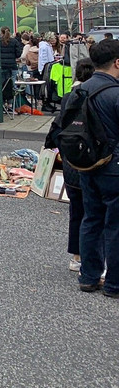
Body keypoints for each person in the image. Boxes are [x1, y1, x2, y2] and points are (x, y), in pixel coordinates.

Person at [73, 39, 119, 297]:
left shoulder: (78, 90)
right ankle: (114, 283)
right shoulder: (116, 93)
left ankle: (89, 276)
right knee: (115, 226)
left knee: (91, 219)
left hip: (86, 164)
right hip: (114, 165)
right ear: (117, 62)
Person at [46, 58, 96, 275]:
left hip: (71, 162)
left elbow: (55, 132)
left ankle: (77, 256)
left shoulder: (68, 98)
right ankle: (93, 259)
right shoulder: (97, 97)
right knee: (95, 213)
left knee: (77, 211)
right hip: (92, 162)